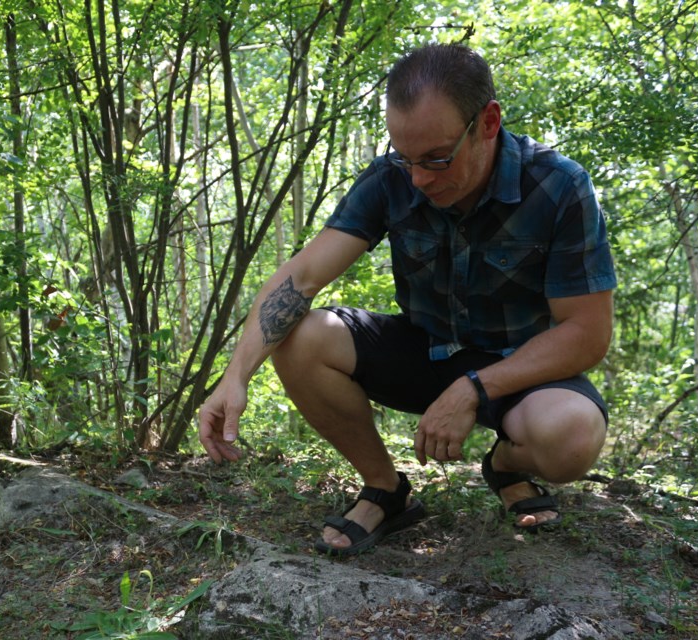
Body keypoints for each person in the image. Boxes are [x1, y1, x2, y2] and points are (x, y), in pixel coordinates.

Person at [198, 43, 616, 556]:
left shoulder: (558, 186)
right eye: (407, 157)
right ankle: (385, 489)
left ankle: (504, 466)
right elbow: (301, 278)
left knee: (571, 438)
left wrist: (472, 389)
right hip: (424, 348)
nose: (419, 178)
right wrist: (235, 376)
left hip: (520, 370)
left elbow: (586, 334)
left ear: (487, 123)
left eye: (438, 158)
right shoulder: (390, 180)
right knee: (303, 337)